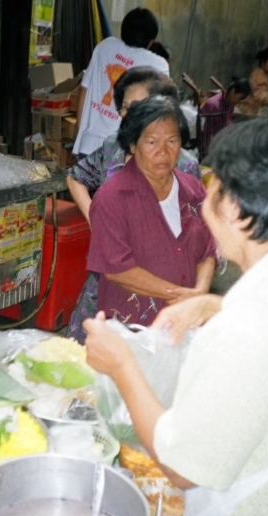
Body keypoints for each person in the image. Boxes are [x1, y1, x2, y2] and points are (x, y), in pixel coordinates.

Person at [83, 119, 268, 516]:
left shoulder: (246, 330)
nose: (203, 202)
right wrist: (213, 304)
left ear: (233, 208)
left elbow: (182, 467)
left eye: (211, 188)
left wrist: (122, 366)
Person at [66, 68, 201, 343]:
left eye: (139, 107)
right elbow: (75, 177)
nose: (129, 116)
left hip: (157, 286)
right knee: (88, 359)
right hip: (105, 282)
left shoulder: (184, 165)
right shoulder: (112, 148)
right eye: (126, 107)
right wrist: (95, 216)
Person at [85, 96, 217, 327]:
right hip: (133, 325)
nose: (163, 152)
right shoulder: (112, 198)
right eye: (152, 142)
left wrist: (198, 292)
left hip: (185, 321)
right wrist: (178, 295)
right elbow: (118, 270)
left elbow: (208, 249)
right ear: (134, 145)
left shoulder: (193, 189)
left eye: (172, 141)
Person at [73, 7, 170, 158]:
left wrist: (81, 130)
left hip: (88, 147)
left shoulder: (105, 46)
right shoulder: (157, 64)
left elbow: (84, 89)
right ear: (151, 42)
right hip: (123, 154)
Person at [199, 78, 252, 154]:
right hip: (209, 145)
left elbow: (228, 122)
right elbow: (207, 131)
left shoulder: (230, 104)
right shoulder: (214, 105)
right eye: (240, 98)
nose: (239, 102)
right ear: (233, 91)